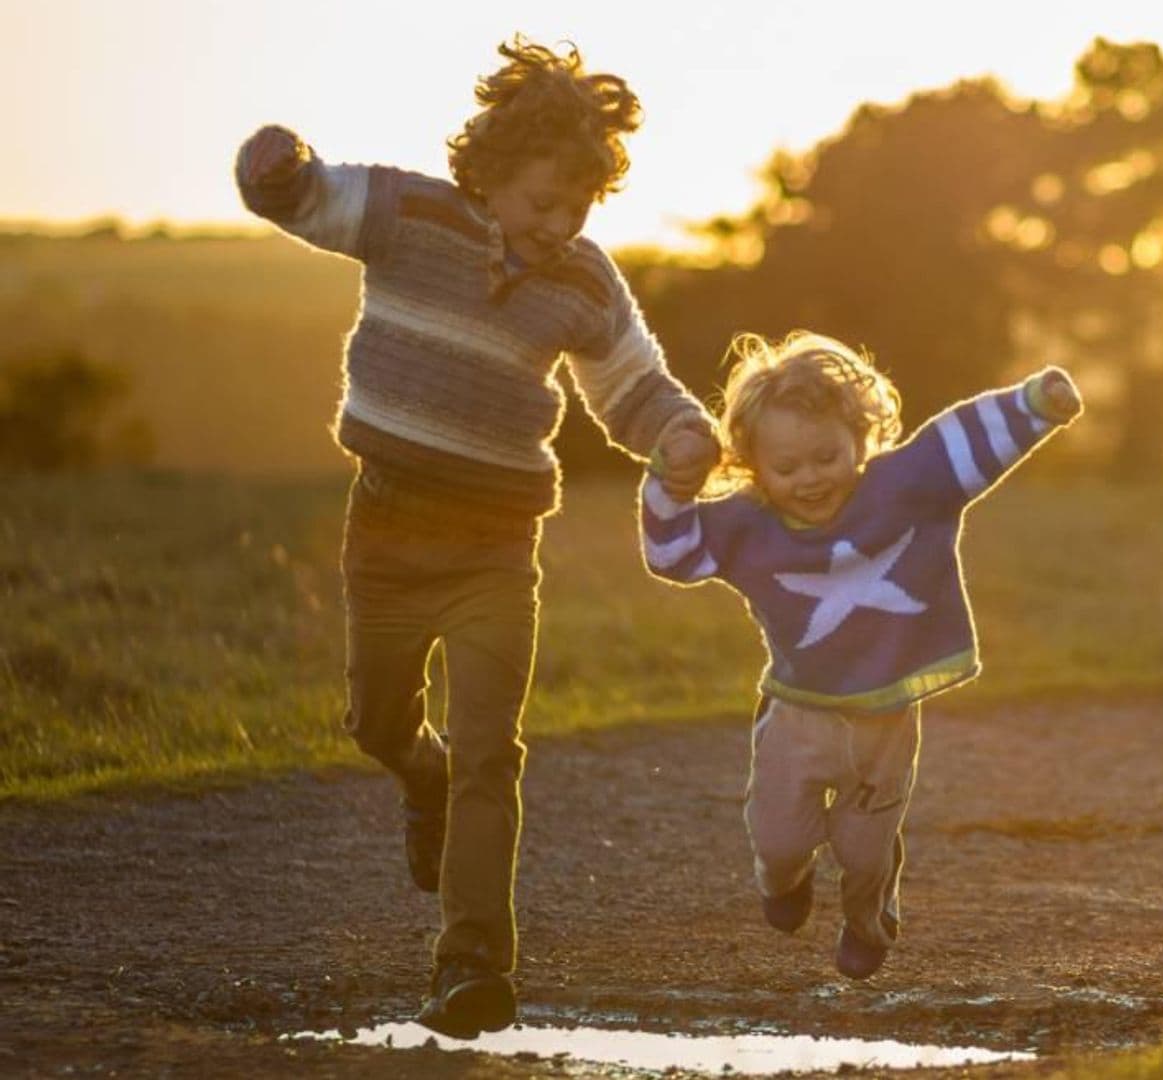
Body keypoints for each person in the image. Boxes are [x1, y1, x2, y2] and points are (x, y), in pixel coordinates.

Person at [234, 37, 719, 1038]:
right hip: (389, 532)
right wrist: (276, 169)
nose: (559, 225)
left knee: (493, 753)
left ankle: (469, 968)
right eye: (542, 202)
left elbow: (632, 387)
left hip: (498, 550)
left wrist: (679, 433)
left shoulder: (584, 282)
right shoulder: (410, 216)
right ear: (490, 174)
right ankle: (422, 776)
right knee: (378, 723)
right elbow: (310, 197)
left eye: (578, 209)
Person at [639, 331, 1081, 979]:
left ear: (860, 440)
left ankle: (869, 918)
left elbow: (958, 444)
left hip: (887, 717)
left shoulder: (902, 487)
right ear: (755, 468)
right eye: (786, 469)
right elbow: (670, 555)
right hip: (796, 713)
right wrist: (668, 485)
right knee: (779, 837)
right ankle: (785, 882)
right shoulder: (746, 524)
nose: (810, 478)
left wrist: (1035, 404)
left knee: (864, 849)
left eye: (827, 456)